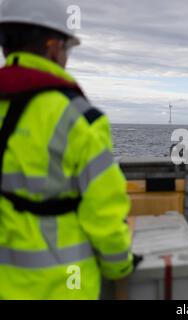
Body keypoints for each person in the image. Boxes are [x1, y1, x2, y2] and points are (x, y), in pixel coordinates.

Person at [0, 0, 135, 299]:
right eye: (66, 49)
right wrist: (120, 266)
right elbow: (104, 213)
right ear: (53, 47)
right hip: (60, 288)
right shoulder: (78, 119)